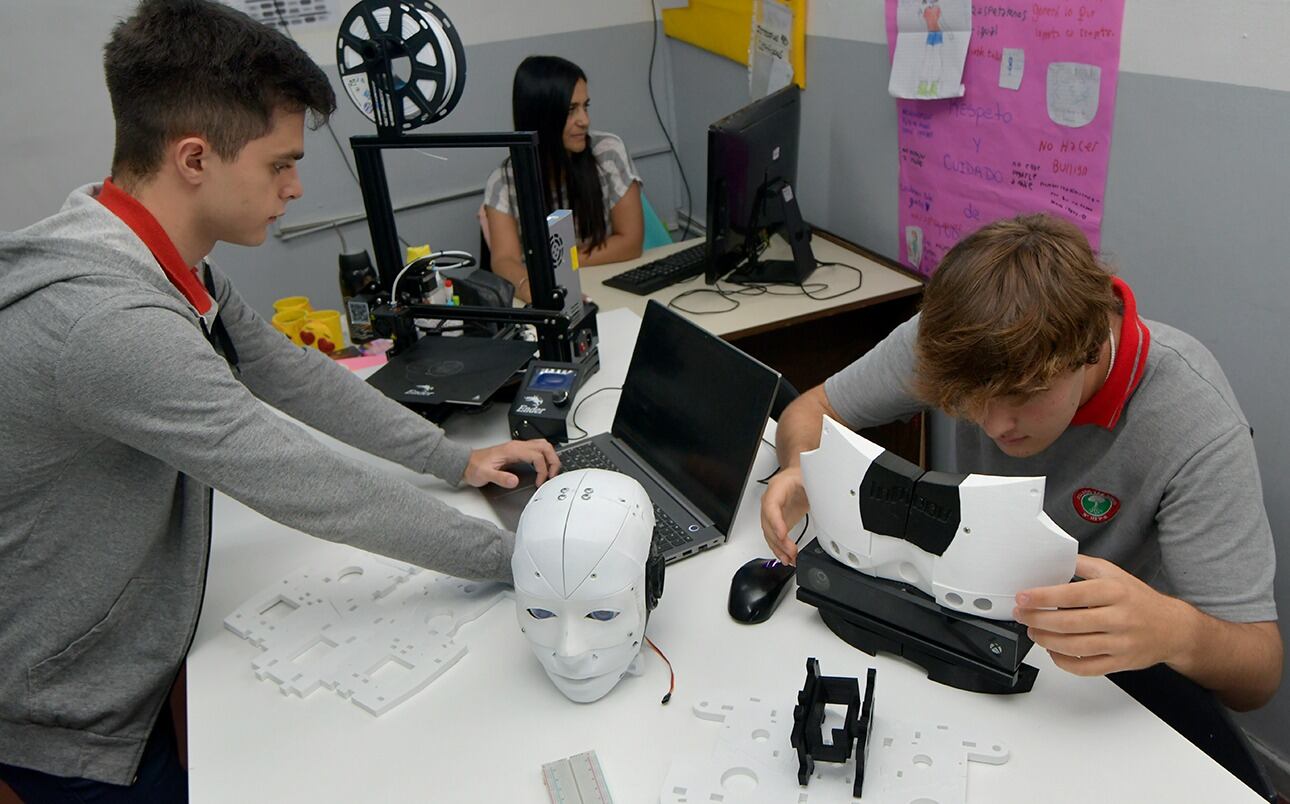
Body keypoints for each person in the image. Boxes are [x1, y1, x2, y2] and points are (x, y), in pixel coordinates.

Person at [0, 1, 559, 798]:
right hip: (70, 702)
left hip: (130, 631)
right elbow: (307, 484)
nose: (296, 187)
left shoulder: (158, 258)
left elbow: (293, 374)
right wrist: (527, 562)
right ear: (194, 158)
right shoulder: (111, 321)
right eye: (279, 165)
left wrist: (455, 461)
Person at [762, 214, 1281, 711]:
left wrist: (1176, 631)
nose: (992, 425)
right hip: (963, 625)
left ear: (1091, 346)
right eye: (968, 400)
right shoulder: (960, 339)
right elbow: (813, 409)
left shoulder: (1197, 425)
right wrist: (798, 470)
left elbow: (1257, 674)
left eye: (1022, 395)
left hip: (1094, 677)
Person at [483, 55, 644, 303]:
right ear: (542, 116)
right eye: (571, 110)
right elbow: (504, 261)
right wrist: (535, 291)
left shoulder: (608, 152)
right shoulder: (504, 181)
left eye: (585, 106)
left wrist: (559, 265)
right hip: (555, 301)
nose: (585, 121)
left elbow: (631, 243)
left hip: (608, 289)